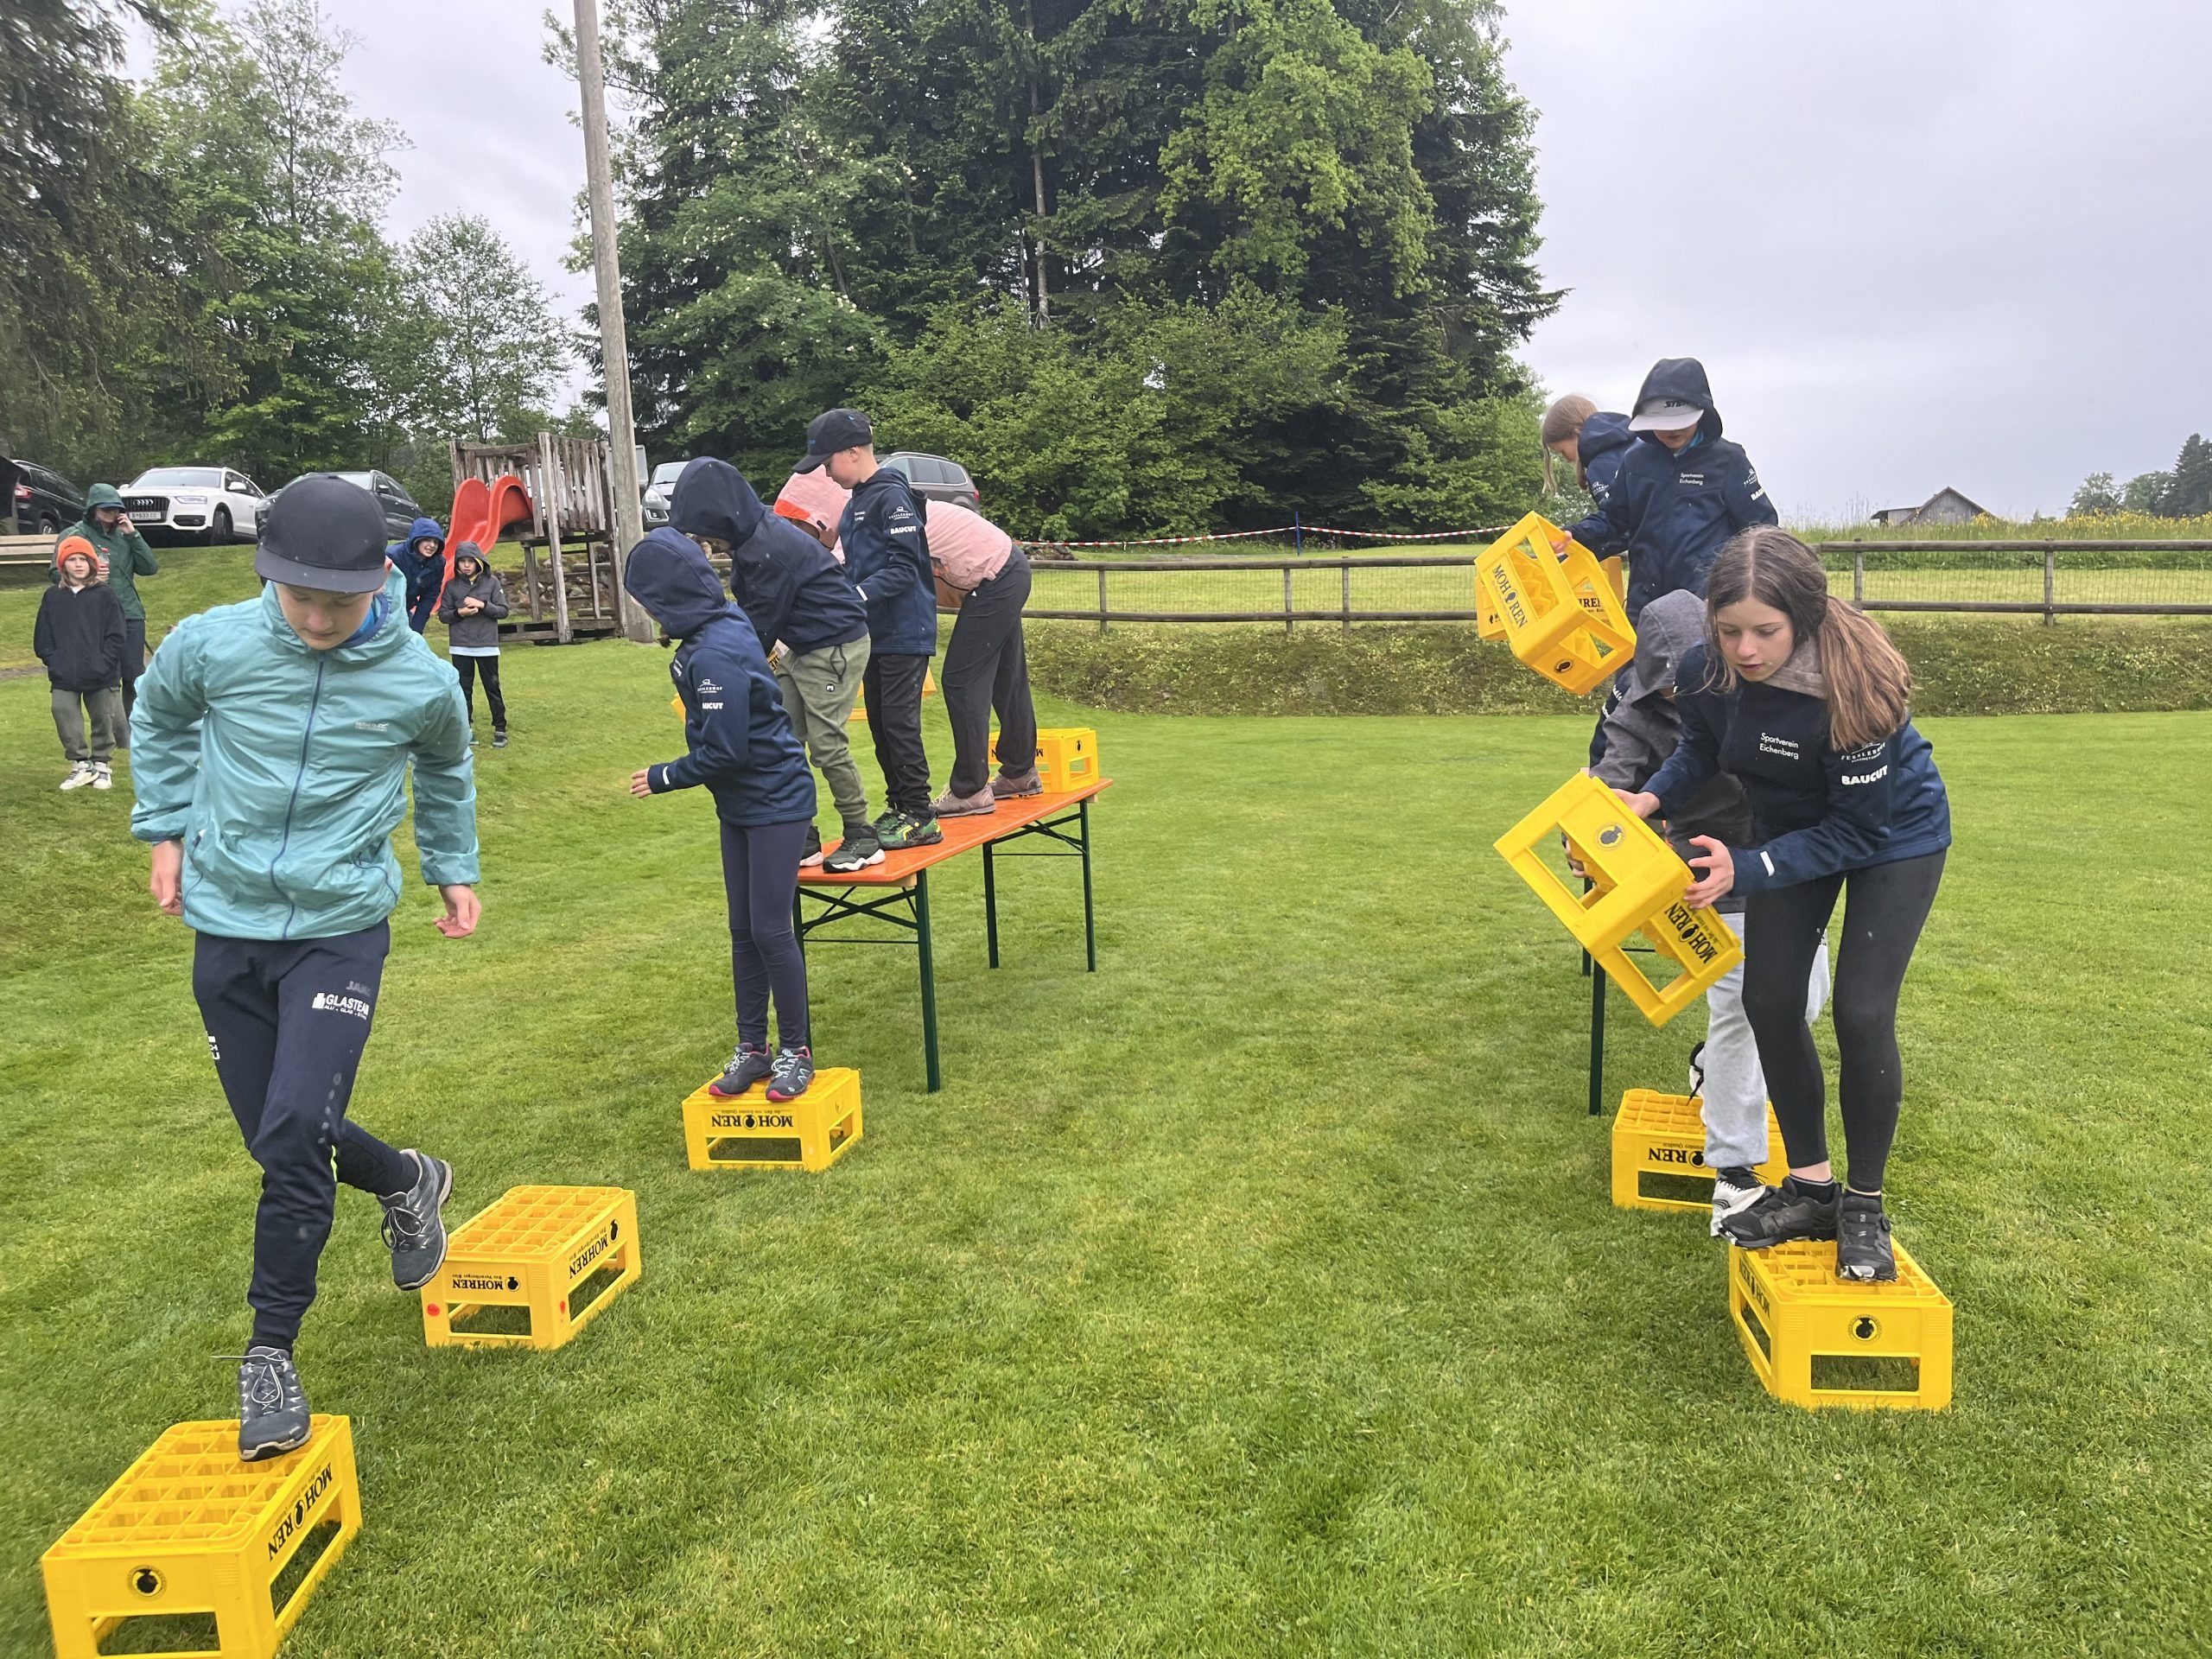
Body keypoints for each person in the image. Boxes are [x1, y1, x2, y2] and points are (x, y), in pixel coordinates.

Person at [130, 474, 480, 1461]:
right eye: (300, 598)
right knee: (278, 1136)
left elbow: (447, 767)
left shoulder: (419, 682)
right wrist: (165, 830)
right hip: (227, 922)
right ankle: (408, 1179)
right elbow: (157, 717)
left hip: (339, 926)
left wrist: (451, 867)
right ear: (268, 576)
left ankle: (269, 1353)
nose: (320, 619)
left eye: (341, 601)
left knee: (292, 1133)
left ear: (378, 584)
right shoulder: (211, 645)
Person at [1624, 528, 1950, 1281]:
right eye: (1729, 629)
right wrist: (1650, 796)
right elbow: (1701, 748)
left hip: (1894, 837)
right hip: (1791, 828)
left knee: (1861, 1012)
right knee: (1769, 1001)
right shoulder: (1706, 668)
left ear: (1803, 618)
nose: (1745, 649)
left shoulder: (1858, 685)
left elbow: (1856, 832)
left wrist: (1746, 866)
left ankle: (1862, 1207)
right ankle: (1811, 1190)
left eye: (1765, 632)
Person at [1589, 588, 1830, 1235]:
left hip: (1785, 858)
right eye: (1668, 689)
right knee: (1743, 1008)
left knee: (1804, 1003)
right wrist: (1591, 826)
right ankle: (1734, 1171)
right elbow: (1611, 779)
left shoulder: (1760, 682)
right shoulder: (1633, 713)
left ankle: (1709, 1069)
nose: (1682, 697)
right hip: (1703, 877)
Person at [625, 527, 820, 1103]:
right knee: (743, 930)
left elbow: (727, 751)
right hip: (739, 804)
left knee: (770, 930)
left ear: (668, 598)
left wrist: (664, 776)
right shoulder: (718, 625)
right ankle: (752, 1048)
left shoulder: (713, 654)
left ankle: (797, 1051)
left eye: (647, 601)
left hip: (777, 802)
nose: (646, 612)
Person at [669, 457, 882, 874]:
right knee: (783, 735)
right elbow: (750, 615)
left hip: (835, 644)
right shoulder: (751, 541)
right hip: (799, 642)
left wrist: (722, 663)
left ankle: (862, 835)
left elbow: (760, 626)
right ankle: (804, 836)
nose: (705, 540)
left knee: (826, 743)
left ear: (721, 516)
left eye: (704, 531)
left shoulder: (770, 549)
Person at [796, 408, 942, 849]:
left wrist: (853, 596)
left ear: (853, 452)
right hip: (872, 634)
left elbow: (905, 569)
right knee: (880, 723)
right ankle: (898, 806)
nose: (826, 472)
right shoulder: (856, 501)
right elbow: (858, 568)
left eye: (828, 463)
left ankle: (920, 815)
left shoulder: (891, 497)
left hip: (906, 631)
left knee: (899, 724)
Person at [1560, 359, 1777, 627]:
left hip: (1706, 606)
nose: (1672, 430)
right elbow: (1613, 519)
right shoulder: (1635, 460)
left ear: (1702, 414)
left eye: (1681, 421)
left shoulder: (1729, 460)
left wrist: (1738, 593)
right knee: (1639, 657)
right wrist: (1575, 534)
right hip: (1645, 606)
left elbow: (1762, 530)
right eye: (1662, 422)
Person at [924, 497, 1040, 816]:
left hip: (996, 576)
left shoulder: (863, 520)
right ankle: (1019, 772)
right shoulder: (889, 506)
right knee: (1007, 675)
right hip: (1007, 568)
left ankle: (970, 789)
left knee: (961, 680)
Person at [51, 482, 159, 732]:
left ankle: (136, 727)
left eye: (116, 509)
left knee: (134, 675)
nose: (112, 513)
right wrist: (86, 578)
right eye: (106, 509)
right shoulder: (74, 535)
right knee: (107, 676)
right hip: (94, 616)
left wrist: (133, 534)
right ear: (93, 509)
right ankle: (112, 730)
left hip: (130, 613)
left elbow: (150, 568)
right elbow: (54, 573)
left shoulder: (124, 536)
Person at [35, 536, 127, 791]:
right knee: (62, 711)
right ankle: (81, 764)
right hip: (65, 672)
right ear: (62, 565)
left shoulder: (105, 595)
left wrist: (105, 662)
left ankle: (102, 766)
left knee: (103, 718)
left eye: (83, 560)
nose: (78, 565)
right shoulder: (53, 596)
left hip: (102, 672)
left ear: (92, 564)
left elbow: (117, 635)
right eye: (72, 560)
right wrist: (53, 661)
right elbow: (43, 636)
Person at [436, 541, 511, 747]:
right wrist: (459, 613)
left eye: (471, 561)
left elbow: (503, 611)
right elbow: (443, 615)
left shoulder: (492, 583)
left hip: (487, 645)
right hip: (460, 646)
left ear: (479, 562)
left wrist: (483, 605)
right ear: (457, 564)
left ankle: (500, 729)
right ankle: (466, 729)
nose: (467, 565)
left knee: (492, 687)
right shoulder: (451, 586)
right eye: (463, 561)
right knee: (463, 690)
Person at [1540, 394, 1636, 512]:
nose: (1567, 459)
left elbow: (1616, 517)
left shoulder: (1601, 465)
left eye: (1562, 452)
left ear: (1576, 434)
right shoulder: (1634, 441)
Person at [388, 514, 448, 634]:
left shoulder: (438, 563)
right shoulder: (393, 556)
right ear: (417, 539)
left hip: (406, 609)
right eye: (428, 540)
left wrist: (416, 630)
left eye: (436, 542)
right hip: (383, 609)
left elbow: (429, 597)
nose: (432, 545)